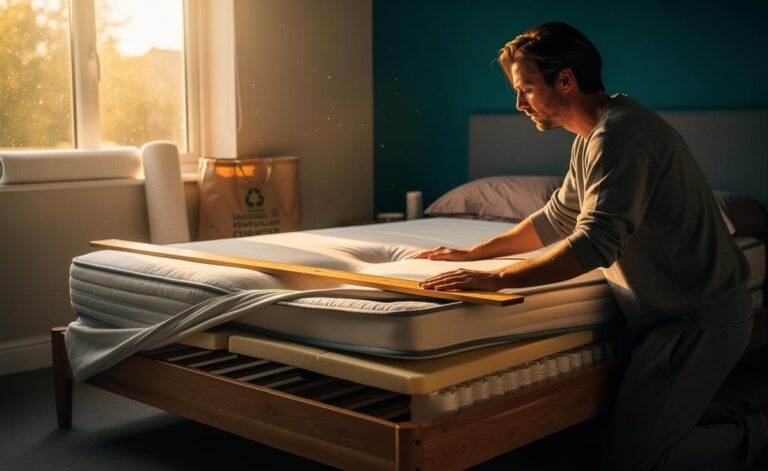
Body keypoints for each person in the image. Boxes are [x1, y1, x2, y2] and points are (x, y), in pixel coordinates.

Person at [414, 21, 767, 470]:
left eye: (526, 89)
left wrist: (494, 279)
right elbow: (558, 216)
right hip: (673, 316)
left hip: (699, 315)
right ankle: (744, 417)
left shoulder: (618, 136)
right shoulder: (593, 134)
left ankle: (758, 434)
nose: (519, 103)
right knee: (632, 434)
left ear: (565, 79)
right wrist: (473, 254)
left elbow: (593, 243)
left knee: (633, 462)